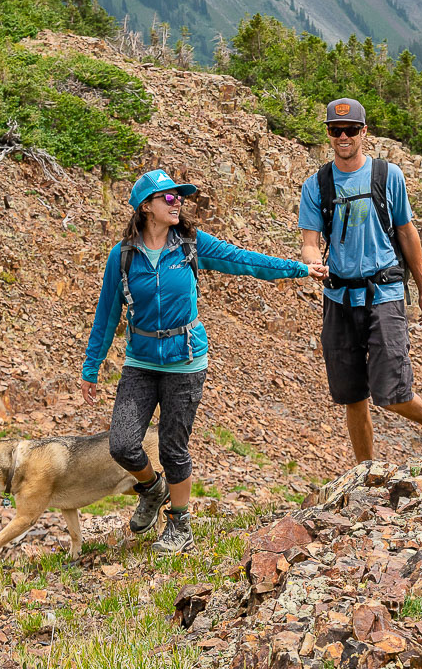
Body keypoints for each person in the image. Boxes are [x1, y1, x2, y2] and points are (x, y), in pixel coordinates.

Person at [81, 168, 329, 553]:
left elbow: (245, 261)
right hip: (141, 362)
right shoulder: (123, 256)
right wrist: (91, 368)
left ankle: (180, 527)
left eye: (179, 196)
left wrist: (300, 269)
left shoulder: (192, 244)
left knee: (172, 448)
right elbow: (107, 314)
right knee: (122, 444)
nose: (177, 201)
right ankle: (152, 488)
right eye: (168, 197)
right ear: (146, 207)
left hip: (186, 362)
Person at [298, 98, 422, 461]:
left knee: (392, 390)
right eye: (336, 131)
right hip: (338, 297)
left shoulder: (387, 176)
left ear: (364, 132)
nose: (343, 136)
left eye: (351, 129)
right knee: (352, 394)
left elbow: (407, 232)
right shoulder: (316, 185)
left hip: (384, 292)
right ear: (328, 134)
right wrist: (312, 262)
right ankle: (365, 473)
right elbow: (309, 241)